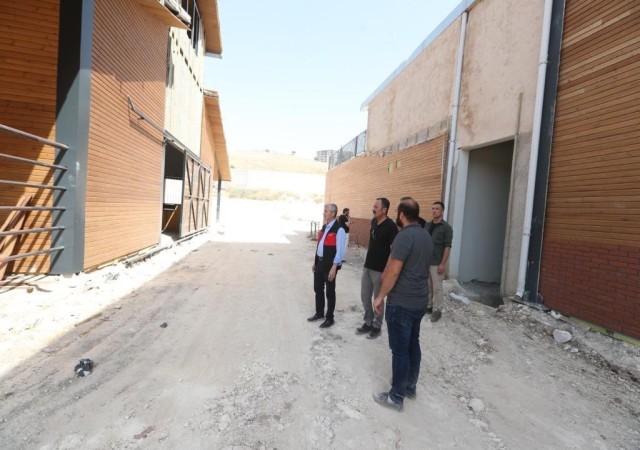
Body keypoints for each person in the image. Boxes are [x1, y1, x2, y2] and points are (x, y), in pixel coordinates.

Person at [372, 197, 433, 411]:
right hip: (419, 301)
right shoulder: (426, 235)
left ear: (401, 215)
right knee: (413, 343)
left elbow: (394, 271)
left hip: (402, 303)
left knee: (400, 350)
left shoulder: (404, 236)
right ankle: (409, 387)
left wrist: (380, 296)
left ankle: (395, 397)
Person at [356, 198, 398, 339]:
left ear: (384, 210)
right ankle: (368, 321)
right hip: (368, 266)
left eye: (376, 206)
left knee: (378, 299)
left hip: (380, 269)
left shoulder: (391, 227)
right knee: (365, 296)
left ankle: (377, 325)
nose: (373, 208)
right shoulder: (374, 221)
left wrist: (386, 270)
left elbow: (393, 251)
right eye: (373, 205)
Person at [308, 203, 346, 328]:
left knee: (330, 292)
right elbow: (320, 245)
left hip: (330, 265)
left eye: (326, 211)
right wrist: (315, 262)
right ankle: (319, 313)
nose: (324, 213)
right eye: (324, 211)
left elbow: (340, 251)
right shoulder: (325, 227)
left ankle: (330, 318)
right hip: (319, 263)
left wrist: (334, 267)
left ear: (333, 213)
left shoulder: (339, 229)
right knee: (318, 289)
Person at [424, 201, 453, 323]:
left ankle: (438, 311)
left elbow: (447, 247)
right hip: (426, 261)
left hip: (437, 263)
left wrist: (443, 264)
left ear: (442, 211)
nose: (434, 210)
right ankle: (429, 306)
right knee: (428, 286)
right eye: (433, 208)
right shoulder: (427, 225)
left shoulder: (446, 228)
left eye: (437, 209)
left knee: (437, 288)